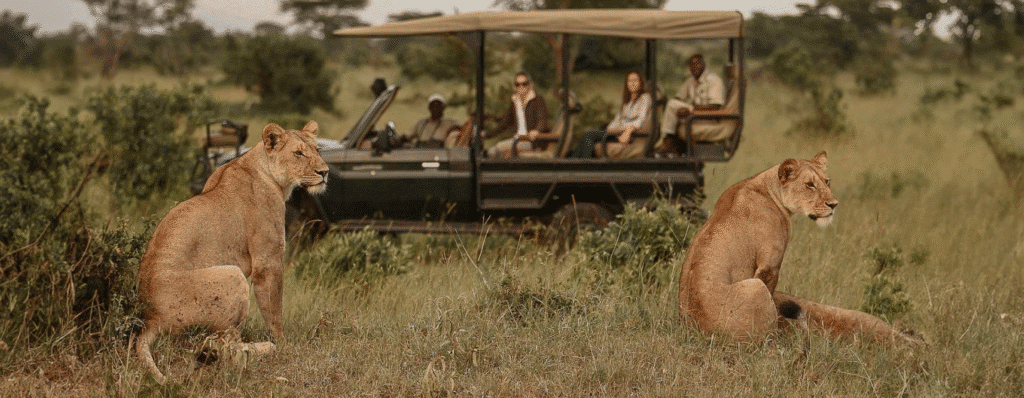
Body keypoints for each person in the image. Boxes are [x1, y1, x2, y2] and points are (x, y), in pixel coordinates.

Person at [570, 71, 652, 159]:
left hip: (625, 134)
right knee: (587, 136)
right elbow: (618, 120)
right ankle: (573, 161)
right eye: (629, 81)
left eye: (635, 80)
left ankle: (583, 165)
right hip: (615, 132)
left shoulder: (645, 98)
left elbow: (640, 119)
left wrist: (628, 131)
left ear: (641, 83)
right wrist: (609, 129)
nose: (632, 83)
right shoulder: (628, 101)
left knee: (589, 134)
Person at [658, 53, 725, 154]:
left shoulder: (713, 80)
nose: (694, 67)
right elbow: (678, 98)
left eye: (697, 64)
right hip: (694, 115)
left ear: (704, 64)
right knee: (672, 104)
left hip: (708, 118)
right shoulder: (691, 80)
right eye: (691, 65)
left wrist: (690, 109)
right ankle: (671, 145)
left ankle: (669, 140)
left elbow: (715, 107)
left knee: (672, 105)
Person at [484, 72, 550, 158]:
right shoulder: (515, 101)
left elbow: (542, 120)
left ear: (530, 85)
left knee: (497, 148)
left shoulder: (537, 99)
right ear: (514, 87)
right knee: (492, 152)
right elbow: (505, 123)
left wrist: (536, 131)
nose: (521, 87)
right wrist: (486, 135)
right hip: (517, 140)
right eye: (517, 84)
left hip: (531, 141)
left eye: (524, 84)